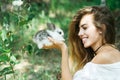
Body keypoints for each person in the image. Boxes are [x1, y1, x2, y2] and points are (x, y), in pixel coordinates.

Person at [44, 6, 120, 80]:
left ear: (101, 28)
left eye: (85, 28)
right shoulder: (113, 52)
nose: (79, 33)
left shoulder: (102, 58)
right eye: (79, 29)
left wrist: (63, 48)